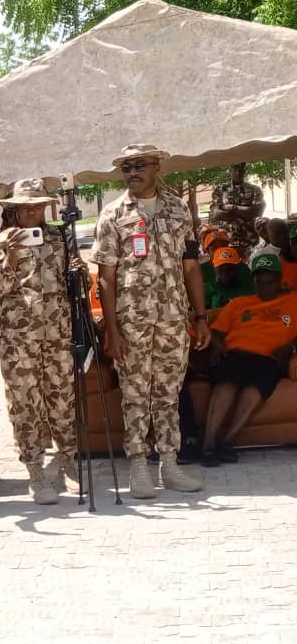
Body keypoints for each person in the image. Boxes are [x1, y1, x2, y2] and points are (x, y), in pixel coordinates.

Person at [91, 144, 209, 499]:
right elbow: (106, 279)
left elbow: (190, 266)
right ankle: (139, 467)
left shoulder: (178, 210)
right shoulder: (113, 215)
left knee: (169, 394)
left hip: (173, 319)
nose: (132, 172)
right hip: (132, 323)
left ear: (157, 167)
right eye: (126, 167)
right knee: (135, 395)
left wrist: (200, 317)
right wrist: (113, 330)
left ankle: (169, 464)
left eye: (139, 165)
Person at [0, 179, 79, 504]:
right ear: (13, 209)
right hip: (18, 338)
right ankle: (36, 471)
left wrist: (77, 270)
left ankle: (69, 460)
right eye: (26, 206)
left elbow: (72, 285)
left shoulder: (58, 237)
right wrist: (11, 254)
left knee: (62, 397)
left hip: (56, 333)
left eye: (38, 205)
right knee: (26, 404)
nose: (32, 211)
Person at [201, 253, 297, 466]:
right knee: (226, 383)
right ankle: (207, 446)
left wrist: (290, 346)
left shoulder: (294, 301)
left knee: (255, 387)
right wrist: (218, 346)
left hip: (268, 358)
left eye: (269, 283)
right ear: (253, 281)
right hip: (235, 353)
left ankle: (227, 442)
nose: (264, 288)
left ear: (279, 280)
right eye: (259, 282)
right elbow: (216, 332)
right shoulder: (238, 304)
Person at [208, 163, 265, 260]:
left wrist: (232, 208)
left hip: (249, 242)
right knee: (229, 272)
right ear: (230, 171)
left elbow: (256, 212)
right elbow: (215, 214)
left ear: (245, 171)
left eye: (241, 170)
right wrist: (245, 211)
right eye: (235, 170)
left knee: (250, 270)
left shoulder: (255, 190)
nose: (238, 173)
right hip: (226, 241)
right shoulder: (221, 190)